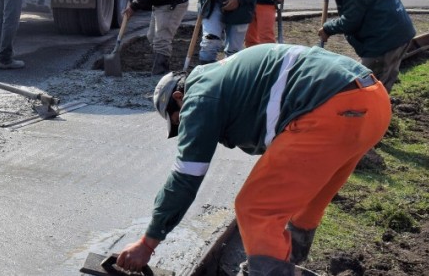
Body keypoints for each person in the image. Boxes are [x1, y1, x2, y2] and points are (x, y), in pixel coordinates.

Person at [115, 44, 391, 275]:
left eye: (178, 120)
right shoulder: (223, 76)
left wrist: (147, 243)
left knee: (255, 208)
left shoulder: (199, 97)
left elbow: (186, 176)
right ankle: (282, 263)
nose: (184, 126)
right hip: (372, 104)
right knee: (304, 205)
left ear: (179, 97)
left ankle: (270, 270)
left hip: (332, 110)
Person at [315, 0, 415, 92]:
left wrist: (327, 28)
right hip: (398, 31)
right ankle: (377, 110)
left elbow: (350, 21)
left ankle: (374, 112)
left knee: (369, 86)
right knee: (379, 81)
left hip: (385, 39)